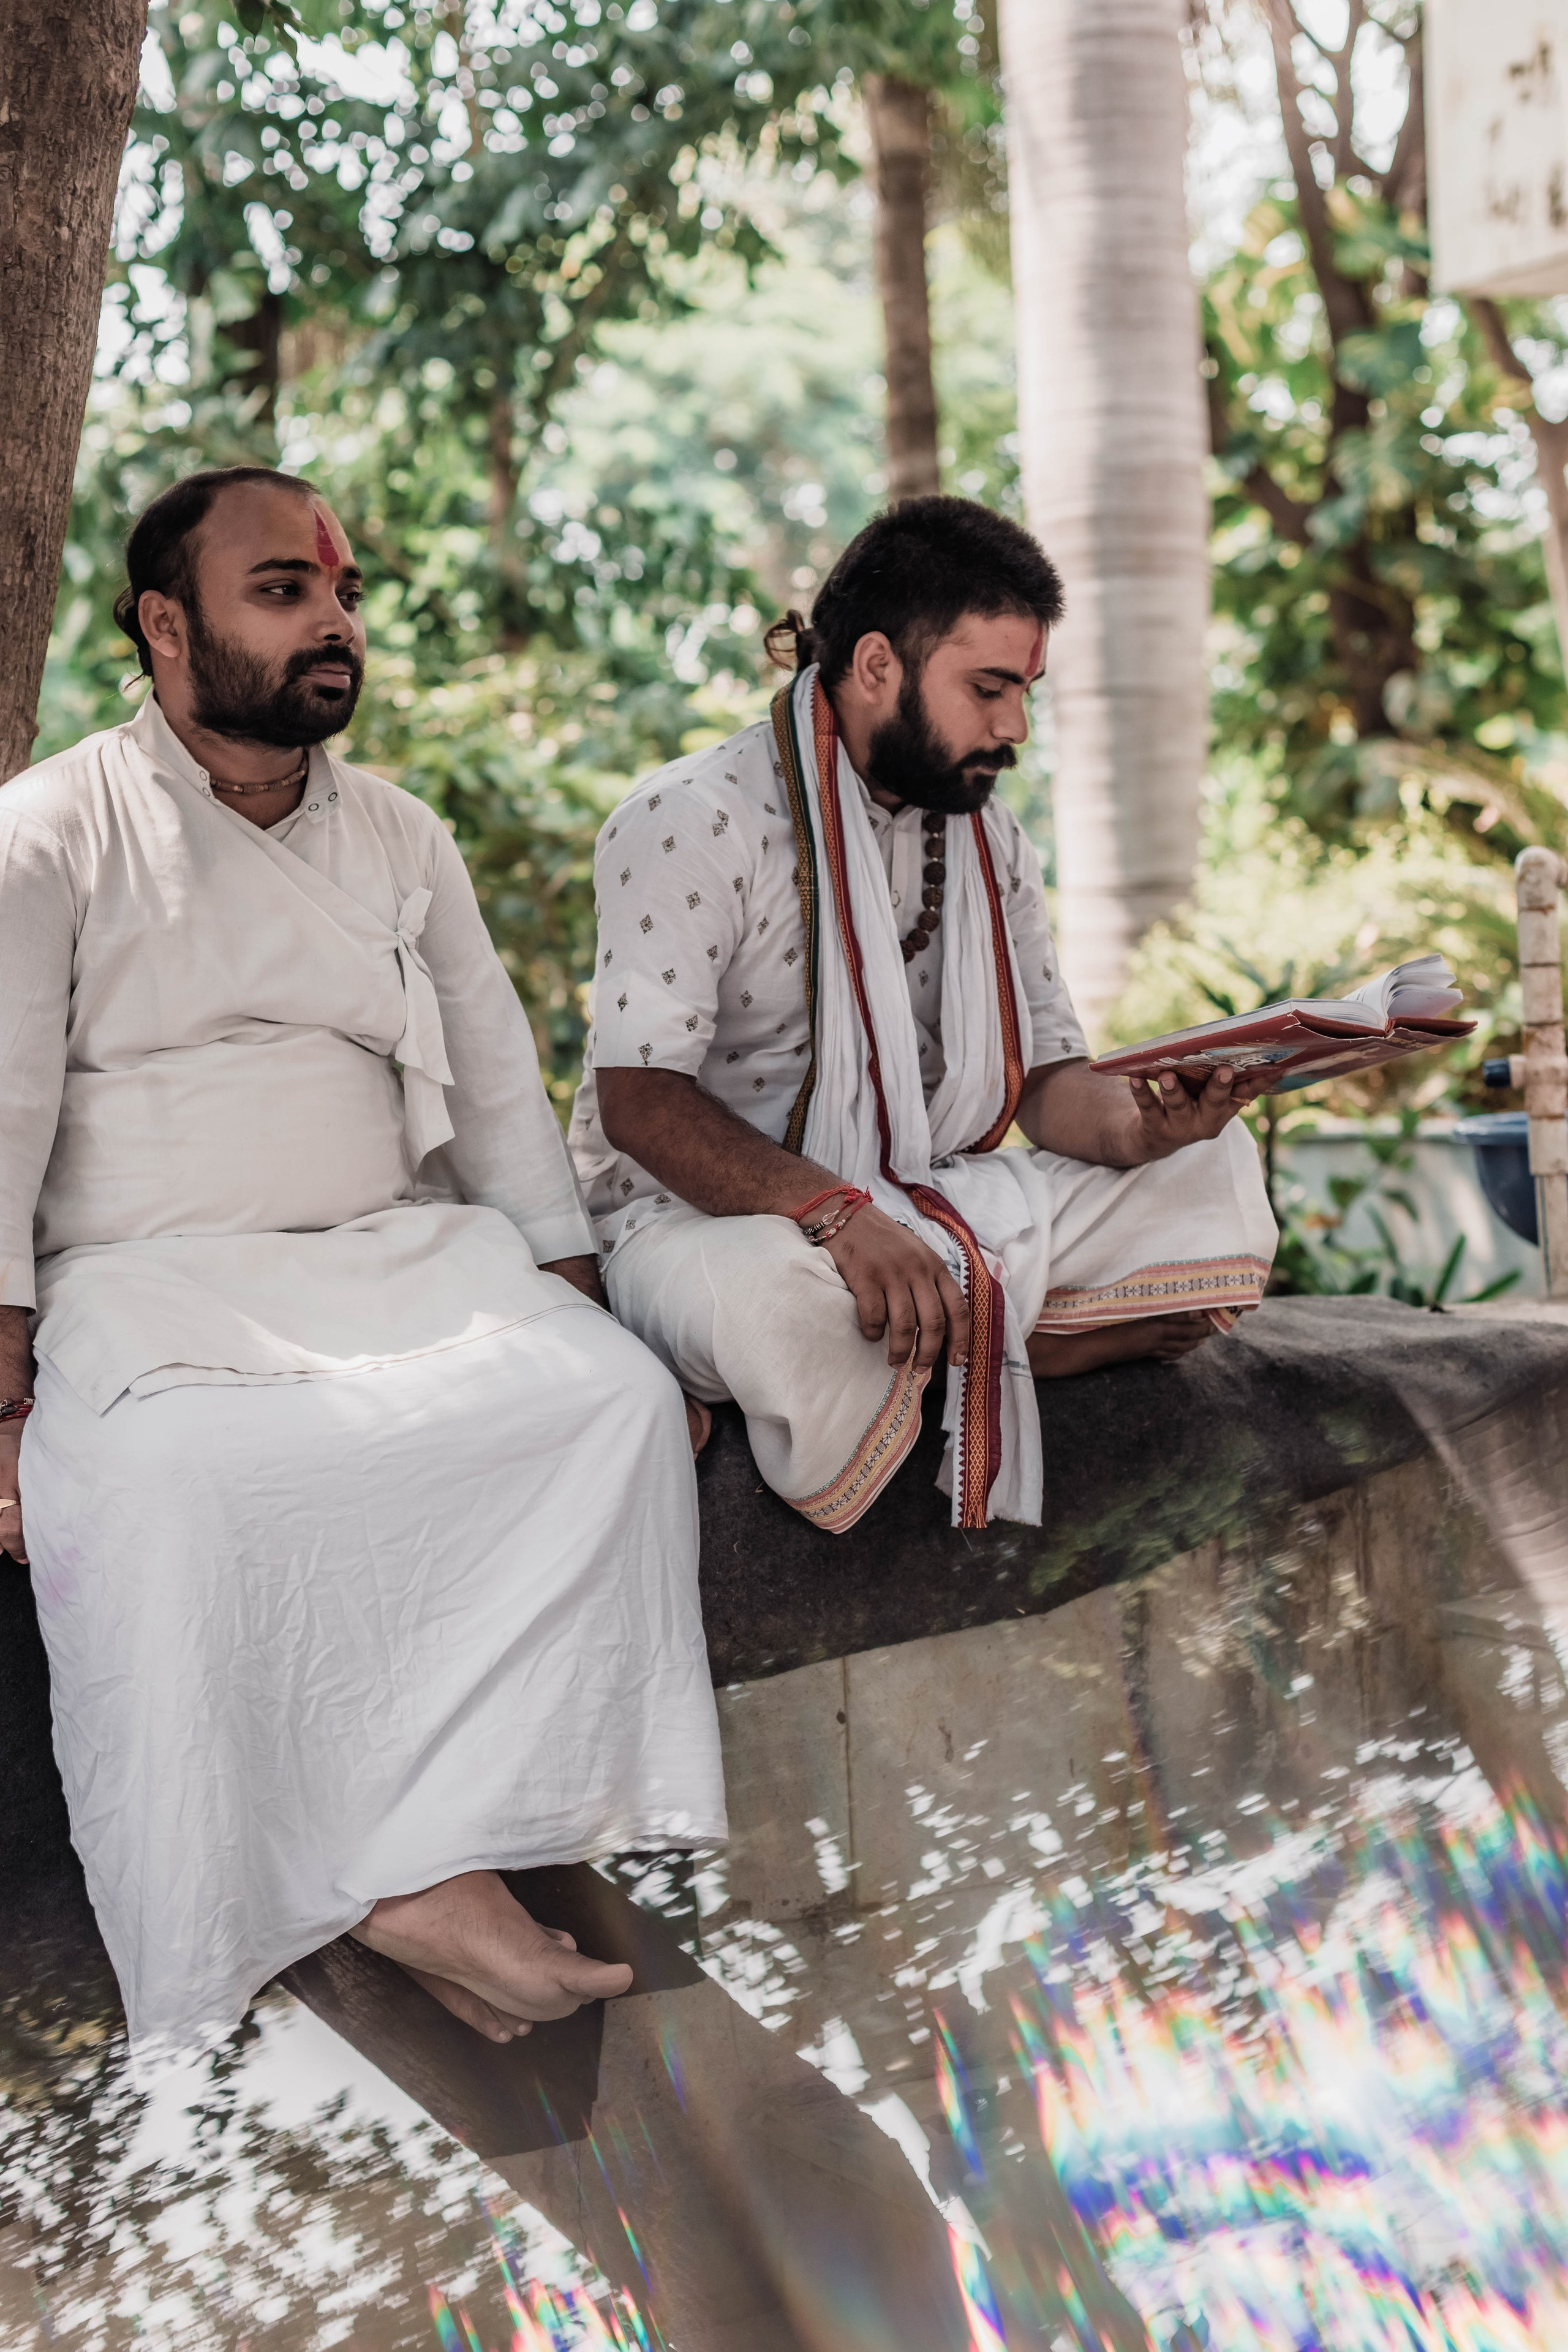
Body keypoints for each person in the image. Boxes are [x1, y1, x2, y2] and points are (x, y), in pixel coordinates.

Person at [0, 467, 724, 2064]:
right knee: (183, 1480)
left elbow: (494, 1098)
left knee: (604, 1406)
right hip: (151, 1282)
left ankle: (451, 1848)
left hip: (394, 1258)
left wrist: (581, 1301)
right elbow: (1, 1115)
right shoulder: (50, 829)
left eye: (342, 594)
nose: (334, 621)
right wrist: (1, 1396)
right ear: (165, 625)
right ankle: (399, 1891)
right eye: (284, 592)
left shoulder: (401, 835)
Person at [569, 497, 1279, 1534]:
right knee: (782, 1306)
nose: (1014, 728)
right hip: (710, 1227)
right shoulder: (693, 821)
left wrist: (1145, 1126)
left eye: (1025, 692)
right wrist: (833, 1217)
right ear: (873, 667)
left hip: (925, 1202)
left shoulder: (989, 841)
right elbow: (640, 1106)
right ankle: (1027, 1348)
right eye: (987, 689)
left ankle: (953, 1352)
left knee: (1215, 1172)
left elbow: (1048, 1085)